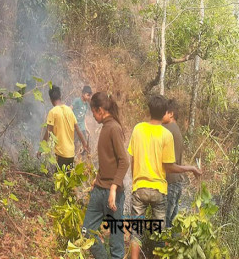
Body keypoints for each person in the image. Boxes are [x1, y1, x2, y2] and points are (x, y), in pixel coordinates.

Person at [128, 95, 201, 259]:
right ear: (164, 114)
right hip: (159, 190)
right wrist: (189, 168)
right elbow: (169, 166)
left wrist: (135, 180)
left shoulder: (138, 129)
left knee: (136, 232)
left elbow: (132, 159)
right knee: (159, 234)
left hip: (139, 187)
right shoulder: (166, 135)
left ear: (149, 110)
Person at [81, 92, 129, 259]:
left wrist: (114, 188)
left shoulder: (114, 128)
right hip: (99, 190)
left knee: (116, 242)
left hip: (112, 193)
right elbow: (108, 161)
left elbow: (124, 161)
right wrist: (97, 178)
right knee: (87, 231)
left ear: (100, 110)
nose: (93, 116)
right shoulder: (106, 128)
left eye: (93, 112)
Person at [38, 86, 89, 169]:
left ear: (50, 99)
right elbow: (78, 129)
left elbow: (48, 132)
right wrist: (84, 144)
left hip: (61, 153)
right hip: (71, 153)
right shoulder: (69, 110)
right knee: (68, 179)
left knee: (59, 179)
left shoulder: (53, 112)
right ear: (60, 97)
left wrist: (41, 149)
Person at [162, 99, 184, 228]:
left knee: (163, 222)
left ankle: (159, 247)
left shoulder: (167, 129)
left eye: (163, 112)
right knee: (172, 222)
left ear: (171, 114)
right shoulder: (176, 129)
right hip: (177, 181)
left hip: (169, 181)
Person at [70, 86, 92, 156]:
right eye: (88, 95)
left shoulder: (86, 104)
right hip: (75, 127)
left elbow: (83, 117)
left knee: (84, 145)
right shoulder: (77, 101)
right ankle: (74, 158)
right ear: (83, 94)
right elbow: (70, 109)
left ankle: (82, 159)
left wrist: (86, 128)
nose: (89, 97)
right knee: (74, 144)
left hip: (82, 128)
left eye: (90, 95)